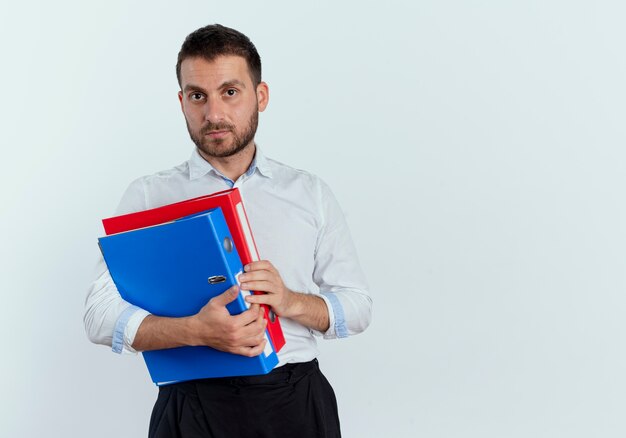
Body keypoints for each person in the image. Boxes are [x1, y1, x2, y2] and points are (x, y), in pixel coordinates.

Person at [84, 23, 372, 438]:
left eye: (230, 92)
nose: (213, 114)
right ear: (182, 102)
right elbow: (98, 315)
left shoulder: (310, 193)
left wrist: (291, 301)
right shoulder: (148, 196)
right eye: (198, 96)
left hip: (295, 403)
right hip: (191, 407)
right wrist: (194, 331)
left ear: (261, 96)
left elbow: (358, 306)